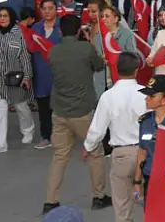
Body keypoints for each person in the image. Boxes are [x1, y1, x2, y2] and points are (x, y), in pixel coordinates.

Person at [43, 14, 110, 215]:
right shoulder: (85, 48)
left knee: (59, 157)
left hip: (60, 111)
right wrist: (91, 42)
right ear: (80, 30)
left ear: (61, 31)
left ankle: (50, 200)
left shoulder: (53, 52)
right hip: (83, 111)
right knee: (95, 153)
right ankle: (99, 196)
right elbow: (99, 65)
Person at [83, 52, 147, 222]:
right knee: (150, 200)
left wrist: (88, 147)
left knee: (122, 205)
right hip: (146, 152)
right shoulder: (146, 93)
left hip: (121, 154)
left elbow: (98, 128)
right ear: (136, 71)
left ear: (116, 70)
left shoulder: (108, 96)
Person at [0, 7, 35, 155]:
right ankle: (0, 144)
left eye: (5, 16)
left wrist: (27, 77)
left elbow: (25, 57)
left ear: (11, 17)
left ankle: (28, 130)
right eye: (0, 16)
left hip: (15, 79)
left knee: (21, 107)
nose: (2, 18)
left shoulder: (18, 33)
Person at [31, 0, 61, 150]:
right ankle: (45, 136)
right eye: (45, 9)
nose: (47, 11)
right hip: (40, 73)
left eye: (51, 8)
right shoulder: (36, 27)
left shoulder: (63, 26)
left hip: (58, 74)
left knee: (59, 107)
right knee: (43, 107)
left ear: (56, 9)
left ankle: (61, 137)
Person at [92, 6, 137, 98]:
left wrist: (116, 59)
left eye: (107, 16)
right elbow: (95, 57)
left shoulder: (127, 34)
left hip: (120, 79)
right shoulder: (98, 36)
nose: (103, 18)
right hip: (102, 81)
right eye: (102, 16)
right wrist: (101, 60)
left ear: (116, 19)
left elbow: (132, 57)